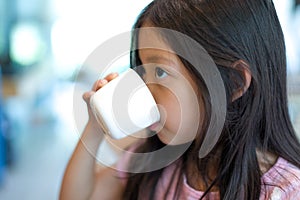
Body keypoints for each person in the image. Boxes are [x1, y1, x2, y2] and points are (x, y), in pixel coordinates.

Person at [59, 0, 300, 199]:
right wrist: (94, 127)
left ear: (234, 83)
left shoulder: (284, 191)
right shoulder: (154, 162)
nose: (143, 88)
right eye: (143, 70)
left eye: (160, 72)